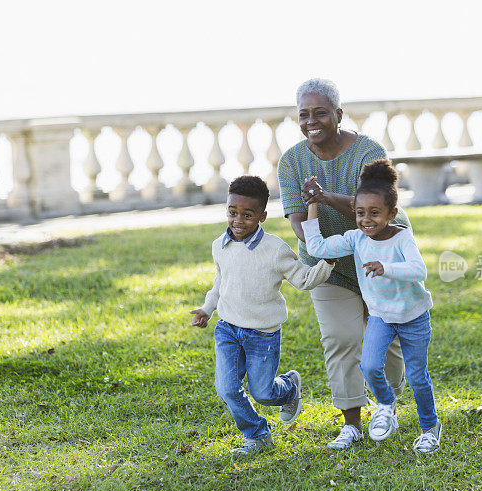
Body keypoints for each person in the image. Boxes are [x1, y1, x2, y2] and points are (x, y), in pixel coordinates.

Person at [278, 78, 413, 449]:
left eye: (320, 113)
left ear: (338, 114)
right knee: (340, 339)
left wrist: (324, 197)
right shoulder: (291, 160)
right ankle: (351, 422)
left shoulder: (368, 151)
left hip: (380, 256)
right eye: (303, 114)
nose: (311, 121)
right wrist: (322, 246)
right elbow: (296, 219)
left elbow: (372, 208)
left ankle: (386, 403)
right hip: (329, 265)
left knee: (386, 342)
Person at [302, 159, 441, 453]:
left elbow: (419, 271)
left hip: (413, 317)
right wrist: (313, 203)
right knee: (369, 365)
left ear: (392, 213)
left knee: (417, 377)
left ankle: (430, 427)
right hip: (381, 317)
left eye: (375, 213)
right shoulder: (356, 238)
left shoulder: (402, 237)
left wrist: (386, 267)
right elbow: (316, 248)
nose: (366, 220)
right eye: (360, 213)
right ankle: (387, 405)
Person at [189, 175, 335, 456]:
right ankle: (257, 434)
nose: (238, 220)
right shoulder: (220, 245)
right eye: (233, 212)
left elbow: (303, 280)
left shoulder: (275, 249)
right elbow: (221, 282)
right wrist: (208, 309)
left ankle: (289, 389)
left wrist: (326, 263)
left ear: (262, 216)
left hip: (263, 335)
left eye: (247, 215)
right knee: (226, 388)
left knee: (263, 393)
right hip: (228, 329)